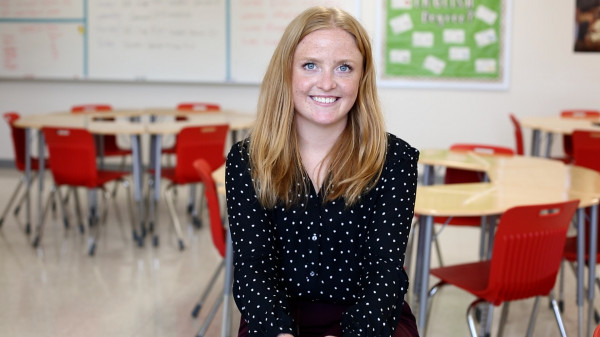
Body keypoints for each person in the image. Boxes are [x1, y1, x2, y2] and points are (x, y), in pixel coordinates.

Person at [225, 6, 420, 337]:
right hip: (276, 317)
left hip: (369, 318)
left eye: (344, 68)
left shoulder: (395, 160)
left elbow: (384, 273)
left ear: (362, 77)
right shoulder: (247, 160)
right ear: (286, 72)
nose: (327, 83)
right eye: (310, 65)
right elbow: (253, 269)